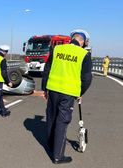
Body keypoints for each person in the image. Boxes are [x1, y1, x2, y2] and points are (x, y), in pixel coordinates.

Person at [41, 29, 92, 164]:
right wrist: (80, 93)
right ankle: (58, 156)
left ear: (72, 38)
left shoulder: (57, 49)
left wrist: (44, 88)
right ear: (83, 42)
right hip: (68, 93)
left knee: (51, 117)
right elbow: (86, 78)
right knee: (62, 122)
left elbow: (47, 69)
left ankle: (51, 145)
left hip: (52, 89)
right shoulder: (84, 54)